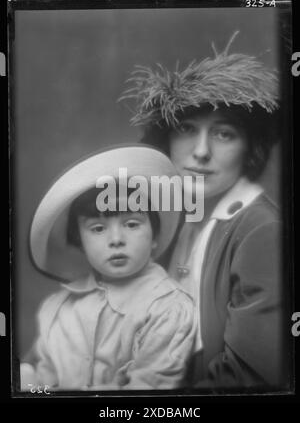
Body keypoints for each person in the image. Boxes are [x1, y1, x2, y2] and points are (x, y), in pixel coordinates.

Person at [119, 32, 286, 390]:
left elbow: (249, 378)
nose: (201, 152)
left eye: (224, 134)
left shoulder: (261, 231)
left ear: (250, 148)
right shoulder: (173, 218)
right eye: (186, 129)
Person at [20, 145, 196, 391]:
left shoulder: (167, 308)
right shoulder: (58, 309)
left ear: (154, 235)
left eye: (132, 224)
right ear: (79, 240)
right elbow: (42, 385)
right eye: (98, 229)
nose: (116, 239)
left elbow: (148, 390)